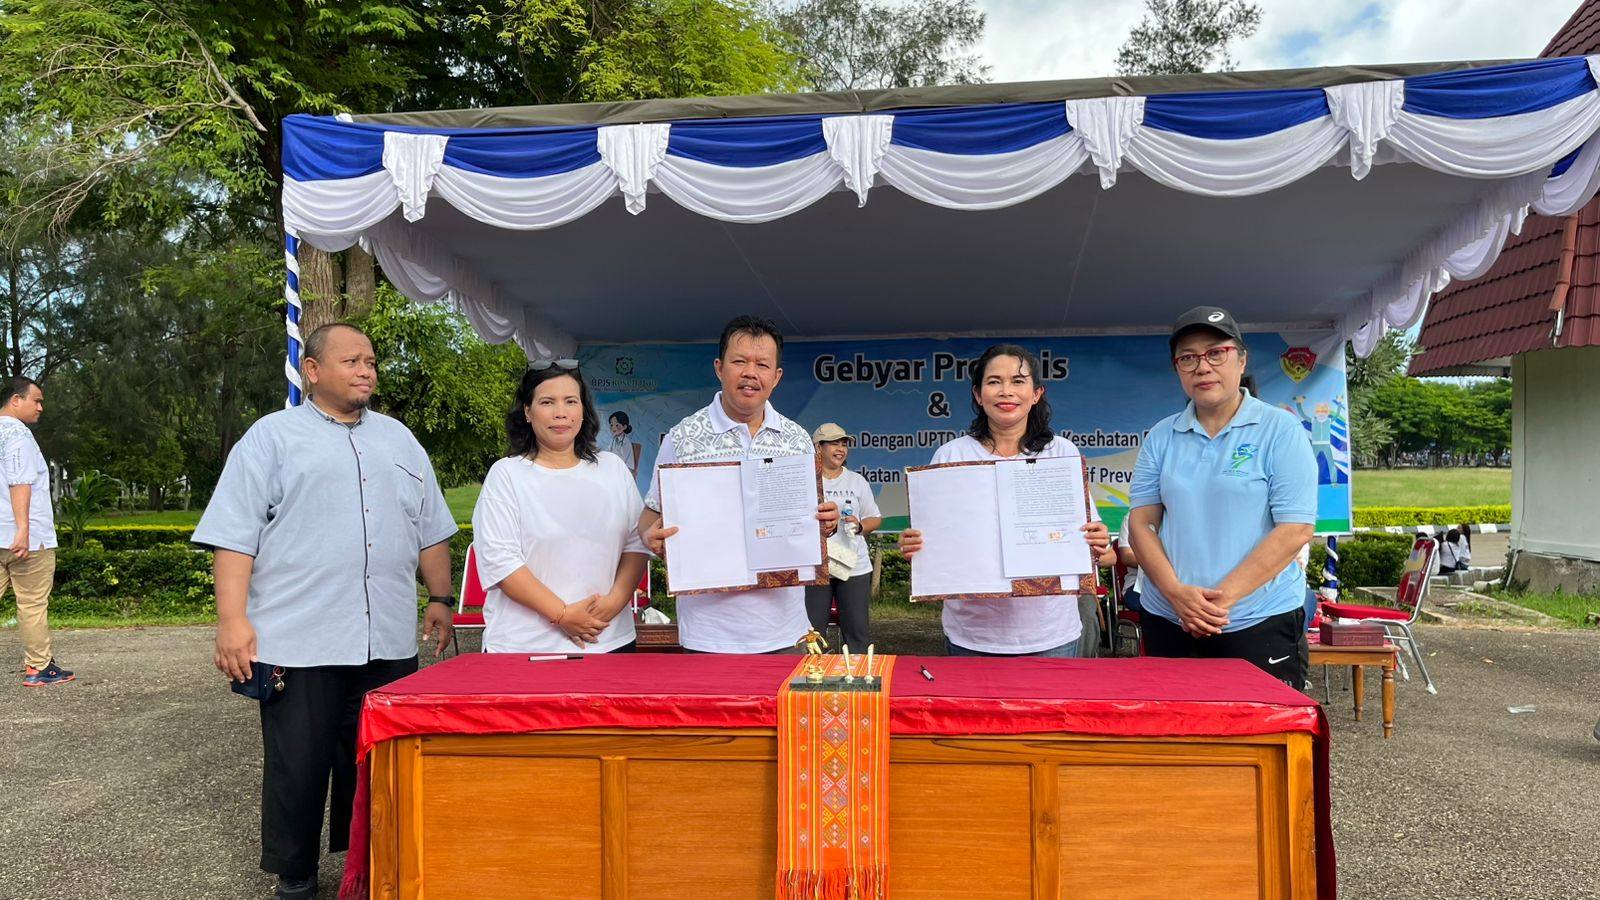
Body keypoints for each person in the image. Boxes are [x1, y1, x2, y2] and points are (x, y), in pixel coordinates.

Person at [194, 323, 458, 900]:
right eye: (351, 361)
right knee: (299, 763)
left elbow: (430, 527)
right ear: (311, 370)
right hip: (300, 638)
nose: (366, 371)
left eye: (371, 361)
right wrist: (232, 622)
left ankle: (372, 865)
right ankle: (296, 877)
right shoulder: (271, 438)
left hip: (387, 636)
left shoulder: (399, 440)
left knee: (381, 762)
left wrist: (440, 597)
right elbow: (234, 535)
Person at [1126, 307, 1318, 688]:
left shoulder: (1280, 430)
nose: (1203, 367)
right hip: (1170, 617)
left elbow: (1295, 529)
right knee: (1174, 724)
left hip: (1258, 619)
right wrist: (1176, 595)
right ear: (1178, 369)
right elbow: (1141, 523)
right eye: (1188, 358)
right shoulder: (1161, 437)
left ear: (1241, 360)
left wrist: (1218, 602)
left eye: (1216, 353)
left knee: (1259, 726)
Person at [637, 316, 839, 653]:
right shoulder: (683, 437)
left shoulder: (797, 440)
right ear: (719, 368)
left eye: (762, 365)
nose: (750, 373)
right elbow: (650, 515)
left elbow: (812, 518)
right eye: (739, 361)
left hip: (785, 631)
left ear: (776, 377)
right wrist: (650, 536)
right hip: (707, 634)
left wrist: (828, 522)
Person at [898, 344, 1114, 657]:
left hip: (1051, 634)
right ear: (978, 394)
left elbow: (1090, 537)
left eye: (1018, 381)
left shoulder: (1060, 453)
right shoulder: (951, 455)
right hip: (971, 635)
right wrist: (916, 547)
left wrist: (1096, 540)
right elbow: (934, 542)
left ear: (1036, 393)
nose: (1006, 391)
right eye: (994, 381)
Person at [473, 362, 650, 654]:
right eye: (547, 402)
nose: (561, 412)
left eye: (570, 401)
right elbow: (501, 562)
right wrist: (563, 614)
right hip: (525, 648)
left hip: (609, 641)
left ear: (583, 410)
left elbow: (636, 543)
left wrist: (615, 601)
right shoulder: (506, 475)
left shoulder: (613, 469)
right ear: (527, 412)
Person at [1, 377, 70, 687]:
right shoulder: (18, 434)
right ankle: (39, 668)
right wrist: (24, 529)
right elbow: (20, 481)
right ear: (16, 400)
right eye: (36, 401)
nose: (41, 407)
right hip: (25, 540)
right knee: (31, 603)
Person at [805, 423, 882, 651]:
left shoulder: (857, 481)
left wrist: (859, 526)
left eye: (844, 444)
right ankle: (813, 671)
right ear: (818, 447)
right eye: (834, 444)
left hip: (853, 566)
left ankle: (856, 672)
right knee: (812, 633)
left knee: (857, 632)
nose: (841, 449)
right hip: (815, 566)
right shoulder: (805, 480)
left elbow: (875, 518)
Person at [606, 411, 641, 475]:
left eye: (617, 425)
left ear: (624, 427)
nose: (613, 428)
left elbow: (622, 459)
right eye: (611, 425)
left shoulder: (626, 442)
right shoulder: (614, 440)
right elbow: (609, 451)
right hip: (616, 466)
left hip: (625, 469)